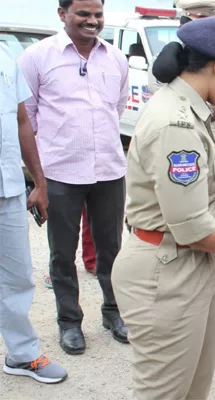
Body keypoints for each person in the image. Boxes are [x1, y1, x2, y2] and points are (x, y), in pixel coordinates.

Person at [111, 17, 215, 399]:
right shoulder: (177, 123)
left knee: (194, 387)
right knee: (164, 392)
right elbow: (192, 227)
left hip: (192, 268)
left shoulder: (193, 110)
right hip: (166, 274)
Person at [18, 0, 130, 355]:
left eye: (97, 14)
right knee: (61, 254)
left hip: (109, 171)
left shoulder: (116, 58)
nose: (92, 21)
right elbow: (28, 118)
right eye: (83, 13)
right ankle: (69, 322)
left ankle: (114, 313)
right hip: (60, 174)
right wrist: (39, 177)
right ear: (62, 14)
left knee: (112, 249)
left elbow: (118, 107)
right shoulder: (37, 57)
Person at [0, 41, 68, 385]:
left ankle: (22, 355)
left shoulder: (4, 57)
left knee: (18, 278)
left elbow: (22, 121)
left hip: (8, 188)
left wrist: (39, 183)